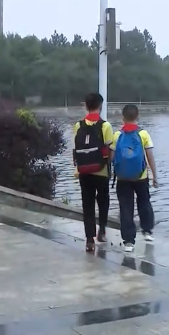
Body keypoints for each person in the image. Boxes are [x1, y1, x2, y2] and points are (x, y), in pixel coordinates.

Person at [111, 104, 158, 253]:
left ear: (122, 117)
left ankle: (129, 241)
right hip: (141, 177)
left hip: (122, 178)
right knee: (144, 202)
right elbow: (150, 156)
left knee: (126, 207)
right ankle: (147, 231)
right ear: (138, 116)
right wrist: (154, 175)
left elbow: (112, 157)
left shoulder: (117, 135)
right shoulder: (143, 134)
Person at [73, 93, 114, 253]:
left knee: (87, 204)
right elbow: (109, 151)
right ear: (101, 106)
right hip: (101, 171)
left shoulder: (78, 125)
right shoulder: (105, 126)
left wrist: (78, 167)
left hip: (84, 171)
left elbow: (76, 149)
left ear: (86, 106)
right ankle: (101, 231)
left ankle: (89, 240)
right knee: (103, 201)